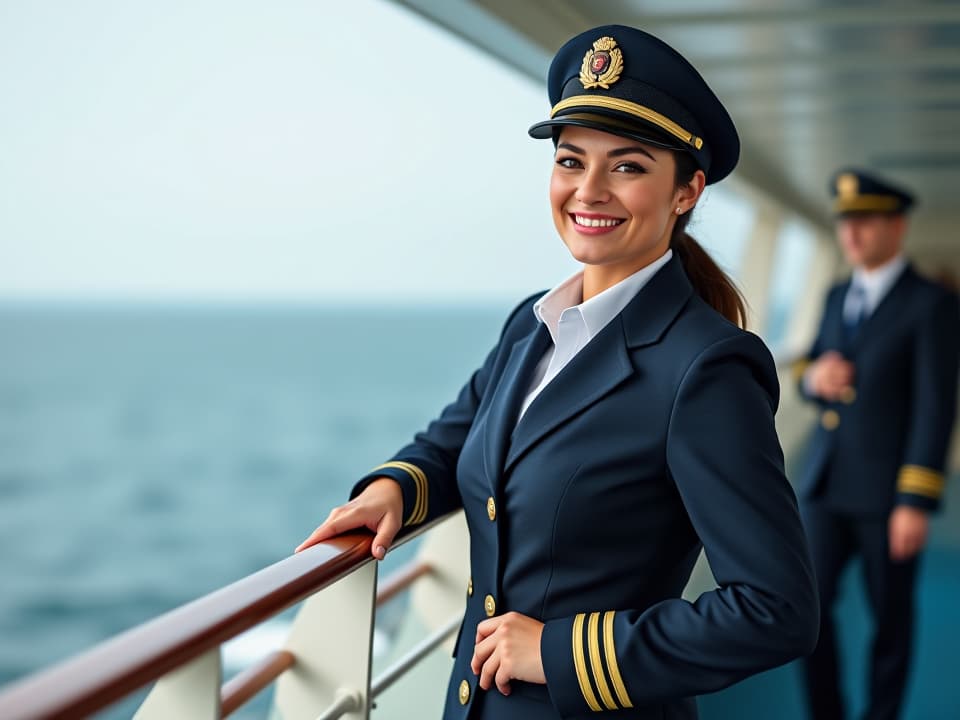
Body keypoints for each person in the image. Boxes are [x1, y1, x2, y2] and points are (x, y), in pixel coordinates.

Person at [299, 25, 819, 719]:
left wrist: (560, 652)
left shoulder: (705, 368)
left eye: (628, 167)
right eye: (571, 161)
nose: (590, 190)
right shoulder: (532, 324)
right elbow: (459, 438)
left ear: (687, 191)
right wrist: (396, 487)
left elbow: (775, 608)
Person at [794, 169, 960, 720]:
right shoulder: (837, 292)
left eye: (864, 220)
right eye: (845, 222)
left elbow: (934, 409)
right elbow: (811, 365)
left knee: (891, 619)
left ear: (897, 226)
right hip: (824, 483)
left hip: (887, 495)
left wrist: (914, 501)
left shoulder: (930, 303)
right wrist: (812, 380)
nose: (852, 233)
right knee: (808, 613)